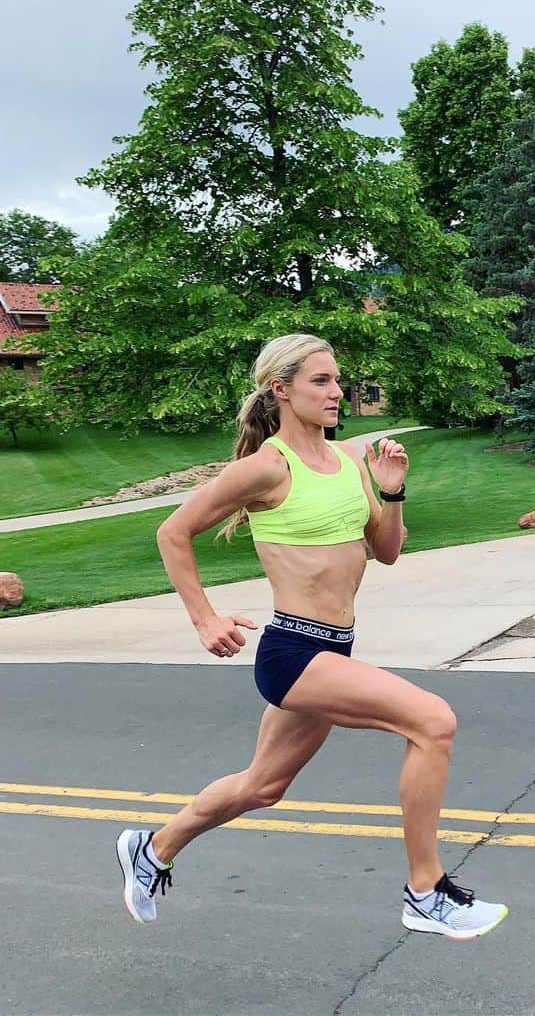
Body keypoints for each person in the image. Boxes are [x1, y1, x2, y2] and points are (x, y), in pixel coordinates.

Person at [115, 333, 507, 941]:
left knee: (262, 786)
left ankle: (152, 850)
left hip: (333, 648)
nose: (336, 391)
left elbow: (387, 552)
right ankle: (425, 893)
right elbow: (174, 532)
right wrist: (205, 619)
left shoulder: (351, 460)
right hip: (293, 652)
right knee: (433, 722)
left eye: (337, 379)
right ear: (282, 389)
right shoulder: (267, 467)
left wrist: (392, 491)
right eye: (320, 381)